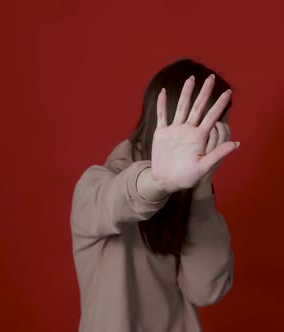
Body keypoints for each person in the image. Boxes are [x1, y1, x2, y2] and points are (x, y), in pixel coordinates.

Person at [70, 58, 239, 332]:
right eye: (212, 127)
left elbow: (207, 291)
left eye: (223, 126)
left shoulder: (191, 201)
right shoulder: (95, 187)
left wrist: (202, 187)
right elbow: (119, 198)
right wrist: (159, 179)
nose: (221, 138)